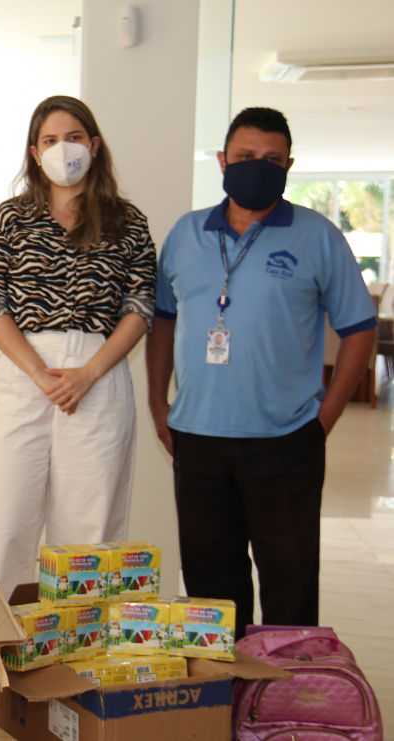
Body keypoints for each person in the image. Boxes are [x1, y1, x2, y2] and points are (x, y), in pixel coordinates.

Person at [148, 107, 377, 636]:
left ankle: (286, 686)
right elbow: (162, 320)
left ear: (289, 166)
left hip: (286, 439)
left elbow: (359, 328)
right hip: (198, 438)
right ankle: (224, 687)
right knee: (211, 591)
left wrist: (325, 418)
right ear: (223, 161)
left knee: (290, 586)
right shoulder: (186, 234)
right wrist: (159, 405)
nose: (258, 166)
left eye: (272, 159)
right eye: (246, 155)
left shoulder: (318, 236)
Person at [0, 96, 156, 599]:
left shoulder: (127, 221)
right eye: (50, 140)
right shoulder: (11, 217)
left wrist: (87, 374)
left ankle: (78, 639)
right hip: (23, 373)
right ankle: (2, 641)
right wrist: (38, 373)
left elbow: (140, 306)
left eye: (73, 137)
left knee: (88, 530)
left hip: (98, 375)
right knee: (6, 523)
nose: (63, 148)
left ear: (94, 145)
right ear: (35, 153)